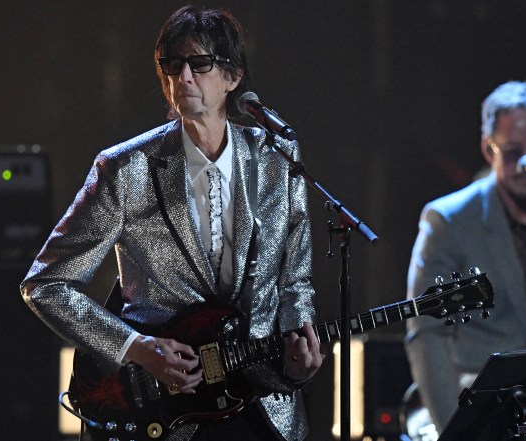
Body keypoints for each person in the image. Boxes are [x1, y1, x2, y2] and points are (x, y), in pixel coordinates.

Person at [21, 6, 323, 441]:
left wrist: (301, 356)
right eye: (172, 65)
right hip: (163, 409)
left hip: (259, 402)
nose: (183, 78)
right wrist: (136, 349)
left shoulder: (276, 158)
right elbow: (45, 284)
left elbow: (294, 281)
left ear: (233, 76)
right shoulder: (125, 169)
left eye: (199, 64)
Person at [403, 81, 526, 437]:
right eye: (513, 153)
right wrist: (456, 428)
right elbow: (426, 334)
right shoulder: (448, 219)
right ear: (487, 148)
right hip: (482, 412)